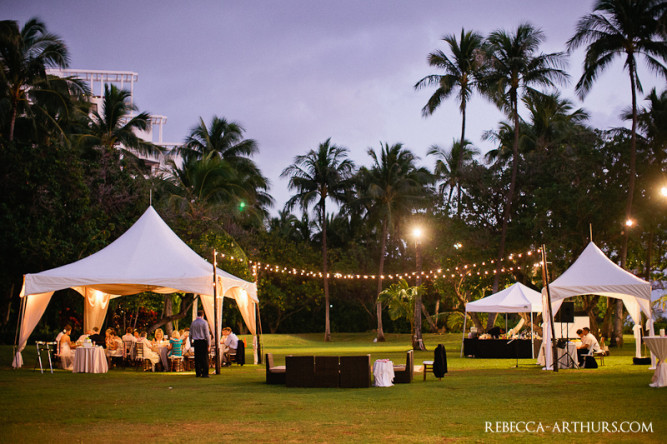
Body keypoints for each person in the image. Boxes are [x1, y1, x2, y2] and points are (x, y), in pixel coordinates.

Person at [190, 310, 211, 377]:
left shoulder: (193, 323)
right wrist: (209, 343)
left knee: (197, 358)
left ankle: (198, 372)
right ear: (203, 315)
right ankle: (205, 373)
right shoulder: (204, 322)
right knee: (204, 357)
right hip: (203, 341)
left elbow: (190, 333)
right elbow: (207, 334)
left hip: (196, 341)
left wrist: (190, 341)